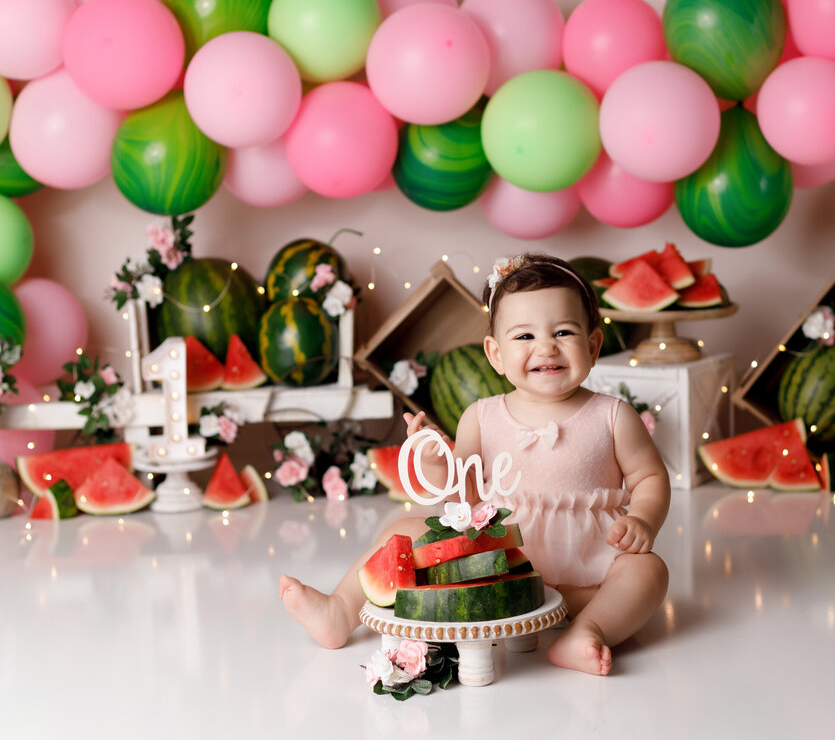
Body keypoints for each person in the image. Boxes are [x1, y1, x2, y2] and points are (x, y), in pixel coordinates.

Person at [280, 252, 670, 676]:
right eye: (524, 337)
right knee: (401, 531)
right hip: (496, 569)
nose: (546, 347)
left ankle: (587, 631)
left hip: (593, 576)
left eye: (563, 331)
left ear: (592, 345)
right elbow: (461, 500)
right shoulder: (481, 417)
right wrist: (434, 464)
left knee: (648, 570)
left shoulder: (613, 415)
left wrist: (644, 521)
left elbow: (650, 476)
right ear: (495, 354)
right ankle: (340, 611)